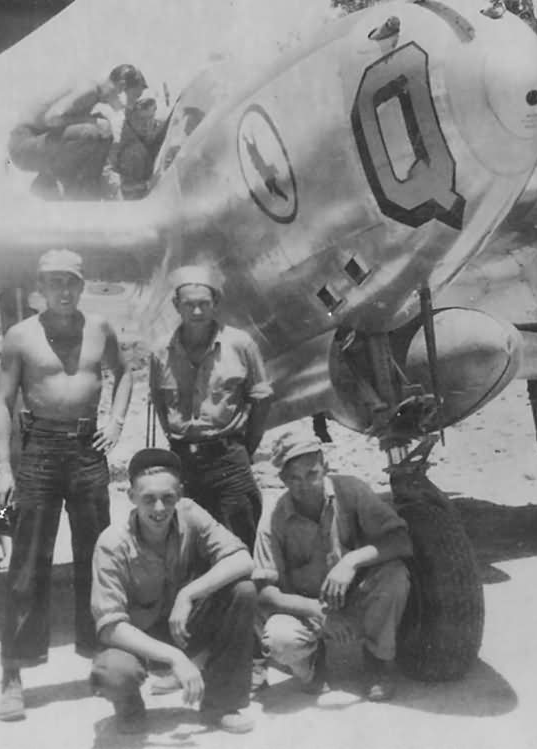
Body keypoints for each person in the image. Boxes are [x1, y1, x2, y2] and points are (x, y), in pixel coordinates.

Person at [0, 249, 133, 721]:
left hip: (88, 449)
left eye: (71, 281)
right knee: (29, 561)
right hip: (39, 452)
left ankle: (102, 657)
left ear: (83, 283)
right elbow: (1, 402)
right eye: (54, 282)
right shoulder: (21, 336)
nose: (64, 291)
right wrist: (4, 469)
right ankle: (13, 671)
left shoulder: (101, 329)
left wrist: (115, 420)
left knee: (99, 557)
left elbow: (126, 372)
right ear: (40, 286)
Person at [90, 448, 257, 735]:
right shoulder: (112, 543)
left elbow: (242, 559)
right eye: (148, 499)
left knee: (243, 592)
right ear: (131, 497)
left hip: (183, 626)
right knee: (112, 670)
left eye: (168, 498)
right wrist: (175, 657)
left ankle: (221, 705)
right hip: (138, 640)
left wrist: (188, 594)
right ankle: (130, 708)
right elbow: (110, 627)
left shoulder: (190, 513)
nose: (159, 508)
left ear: (179, 493)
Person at [253, 427, 413, 701]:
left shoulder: (352, 491)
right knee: (279, 637)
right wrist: (319, 613)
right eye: (294, 478)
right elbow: (266, 593)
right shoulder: (273, 521)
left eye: (312, 474)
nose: (304, 485)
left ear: (325, 466)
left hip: (357, 598)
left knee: (395, 576)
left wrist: (351, 560)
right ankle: (312, 667)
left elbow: (401, 540)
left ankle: (377, 660)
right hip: (310, 610)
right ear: (281, 479)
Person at [147, 265, 272, 547]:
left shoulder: (241, 344)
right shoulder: (160, 351)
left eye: (204, 304)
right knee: (189, 546)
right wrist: (178, 439)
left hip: (229, 460)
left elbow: (262, 399)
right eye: (189, 305)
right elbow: (159, 401)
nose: (197, 312)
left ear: (216, 304)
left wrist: (244, 448)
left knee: (240, 543)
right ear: (176, 305)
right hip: (183, 463)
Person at [8, 64, 147, 200]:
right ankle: (72, 191)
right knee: (90, 132)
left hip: (38, 144)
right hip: (23, 145)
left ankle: (69, 186)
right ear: (122, 87)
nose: (133, 104)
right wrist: (91, 121)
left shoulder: (95, 93)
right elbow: (52, 118)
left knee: (104, 134)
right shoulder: (90, 89)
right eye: (134, 96)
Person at [101, 88, 168, 200]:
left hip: (148, 177)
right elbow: (108, 177)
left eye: (150, 118)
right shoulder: (119, 134)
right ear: (130, 117)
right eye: (141, 119)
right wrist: (146, 185)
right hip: (124, 195)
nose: (146, 125)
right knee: (135, 152)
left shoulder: (159, 123)